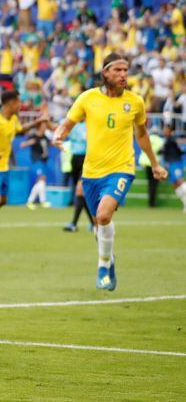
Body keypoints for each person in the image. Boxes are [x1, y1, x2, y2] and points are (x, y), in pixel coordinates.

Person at [53, 53, 167, 291]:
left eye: (126, 70)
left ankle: (103, 264)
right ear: (105, 73)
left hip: (121, 168)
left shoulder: (135, 102)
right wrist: (59, 133)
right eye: (118, 70)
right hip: (92, 171)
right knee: (99, 224)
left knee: (104, 216)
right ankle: (110, 257)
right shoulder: (87, 98)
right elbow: (68, 122)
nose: (124, 75)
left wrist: (154, 164)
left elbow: (142, 135)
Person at [0, 90, 48, 252]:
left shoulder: (12, 119)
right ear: (9, 103)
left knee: (2, 200)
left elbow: (19, 130)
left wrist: (37, 121)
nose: (20, 105)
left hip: (3, 166)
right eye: (18, 102)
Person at [63, 120, 94, 231]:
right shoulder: (72, 124)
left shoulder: (90, 124)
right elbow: (58, 128)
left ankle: (74, 224)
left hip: (85, 159)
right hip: (75, 160)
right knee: (81, 194)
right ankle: (93, 222)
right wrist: (46, 121)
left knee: (80, 191)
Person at [22, 121, 53, 209]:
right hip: (37, 161)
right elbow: (23, 144)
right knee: (42, 179)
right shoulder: (34, 136)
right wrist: (28, 143)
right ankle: (43, 201)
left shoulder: (45, 137)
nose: (45, 128)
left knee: (40, 182)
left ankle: (30, 201)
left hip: (43, 161)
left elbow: (50, 143)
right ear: (39, 127)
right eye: (43, 126)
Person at [163, 126, 186, 211]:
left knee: (180, 181)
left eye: (166, 130)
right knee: (175, 185)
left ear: (171, 132)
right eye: (164, 130)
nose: (164, 132)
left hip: (175, 163)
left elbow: (178, 145)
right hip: (170, 164)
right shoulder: (167, 141)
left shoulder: (172, 139)